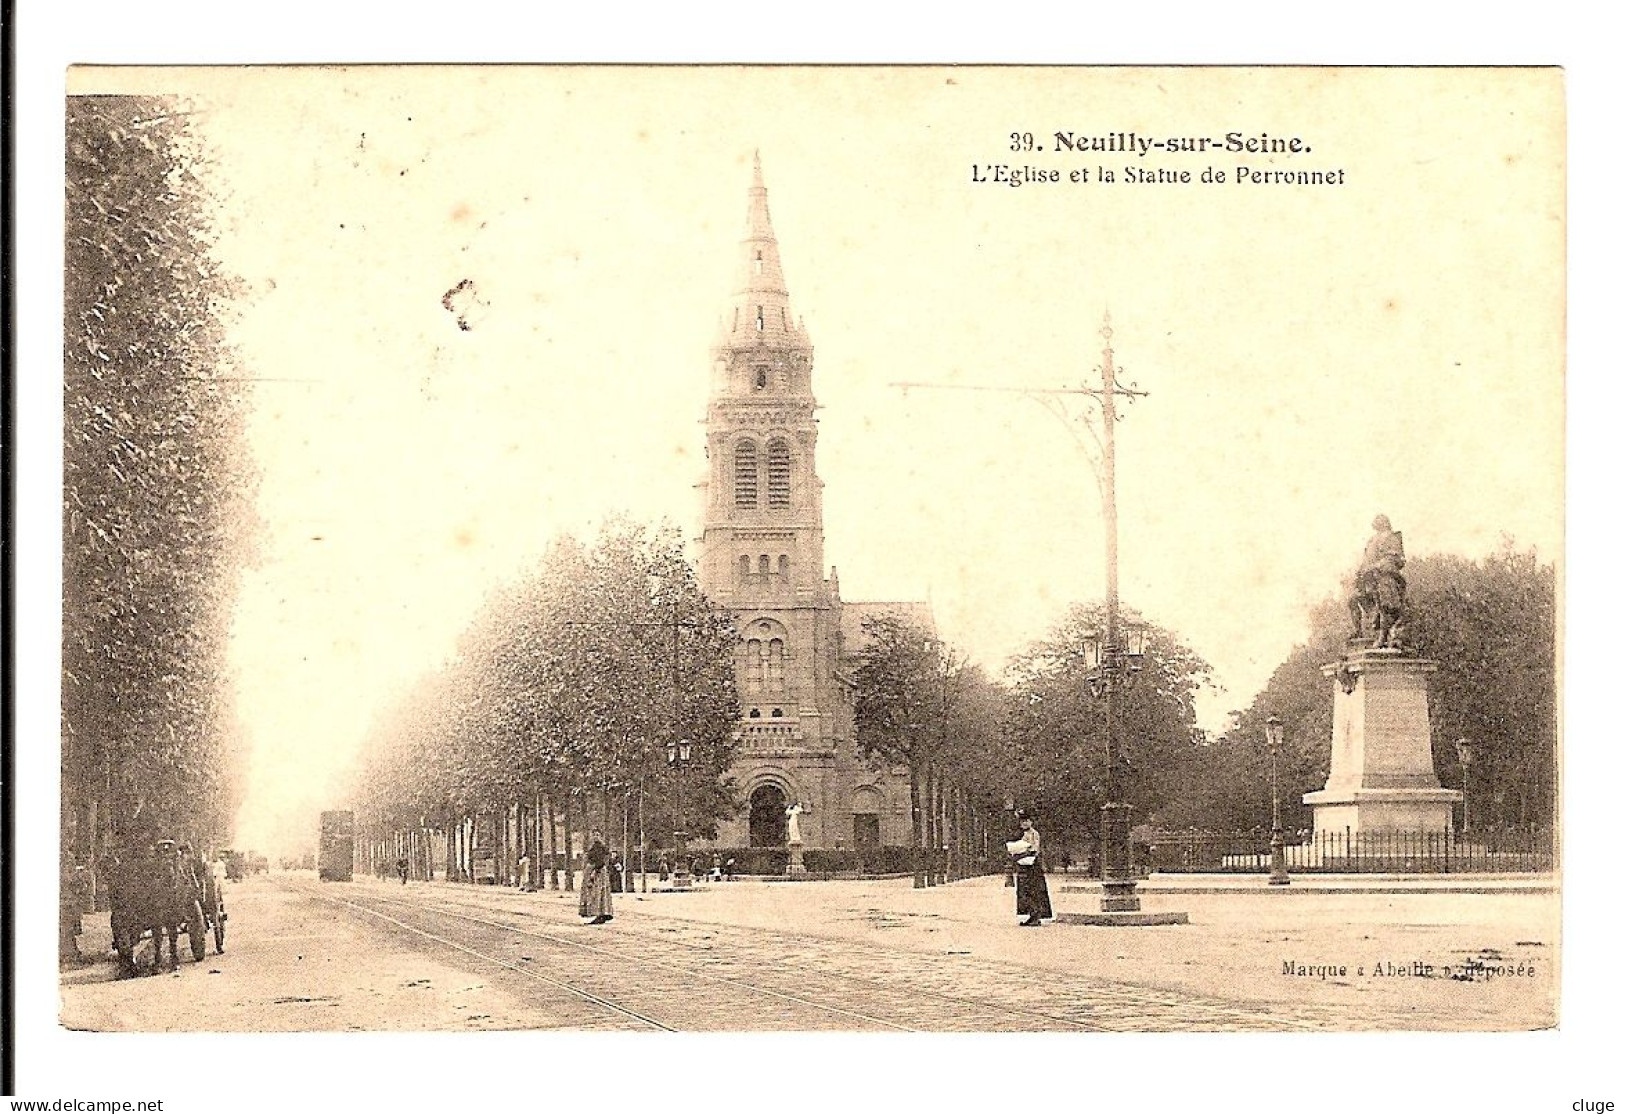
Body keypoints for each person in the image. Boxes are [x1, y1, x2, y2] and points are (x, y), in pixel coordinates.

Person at [1009, 810, 1053, 927]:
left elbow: (1034, 849)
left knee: (1034, 890)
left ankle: (1036, 916)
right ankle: (1030, 915)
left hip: (1033, 865)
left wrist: (1023, 851)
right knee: (1025, 891)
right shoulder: (1021, 834)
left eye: (1026, 821)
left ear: (1031, 822)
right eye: (1022, 821)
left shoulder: (1034, 834)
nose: (1024, 823)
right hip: (1023, 865)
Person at [579, 830, 613, 924]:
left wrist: (595, 871)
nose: (595, 837)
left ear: (601, 836)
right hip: (595, 870)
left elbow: (601, 860)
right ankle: (600, 913)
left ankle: (600, 913)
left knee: (597, 893)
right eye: (593, 835)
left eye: (597, 835)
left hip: (598, 872)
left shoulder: (601, 847)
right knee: (596, 893)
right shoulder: (594, 847)